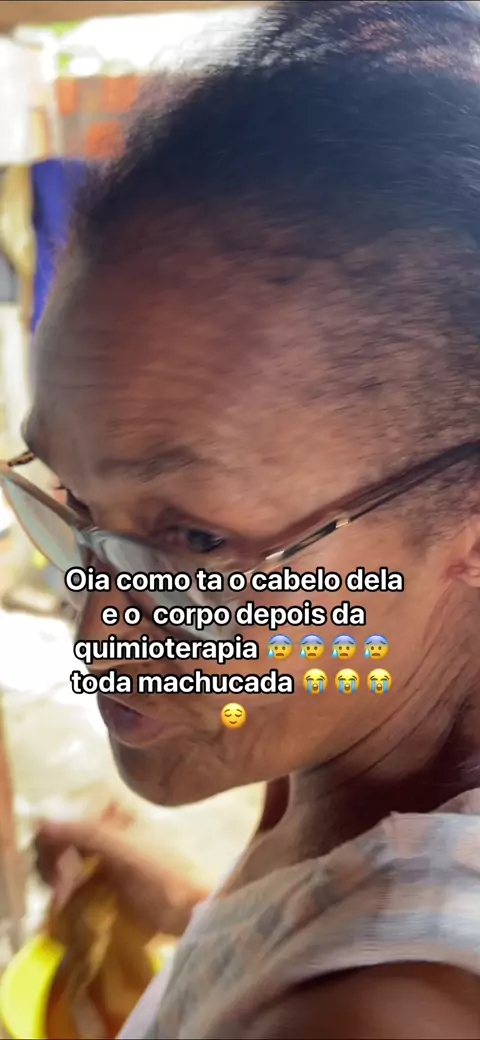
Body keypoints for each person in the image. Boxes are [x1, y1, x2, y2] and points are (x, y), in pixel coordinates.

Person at [5, 0, 480, 1035]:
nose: (100, 635)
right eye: (74, 500)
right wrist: (198, 922)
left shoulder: (383, 1011)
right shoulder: (341, 739)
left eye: (194, 541)